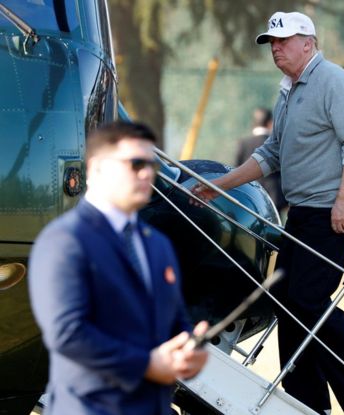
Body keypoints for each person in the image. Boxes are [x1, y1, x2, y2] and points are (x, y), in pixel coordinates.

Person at [191, 11, 344, 415]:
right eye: (272, 43)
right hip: (307, 209)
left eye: (284, 41)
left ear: (308, 44)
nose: (276, 48)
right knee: (285, 297)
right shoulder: (289, 89)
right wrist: (218, 185)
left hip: (340, 206)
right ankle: (307, 401)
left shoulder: (333, 81)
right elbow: (271, 154)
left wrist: (343, 200)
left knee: (307, 297)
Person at [28, 121, 209, 415]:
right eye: (135, 163)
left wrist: (188, 350)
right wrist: (147, 365)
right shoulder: (65, 241)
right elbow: (68, 333)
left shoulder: (158, 245)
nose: (146, 173)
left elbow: (173, 320)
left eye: (152, 165)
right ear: (97, 168)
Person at [235, 107, 288, 215]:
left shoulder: (243, 143)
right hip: (274, 196)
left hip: (250, 196)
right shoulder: (276, 144)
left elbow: (236, 167)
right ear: (270, 123)